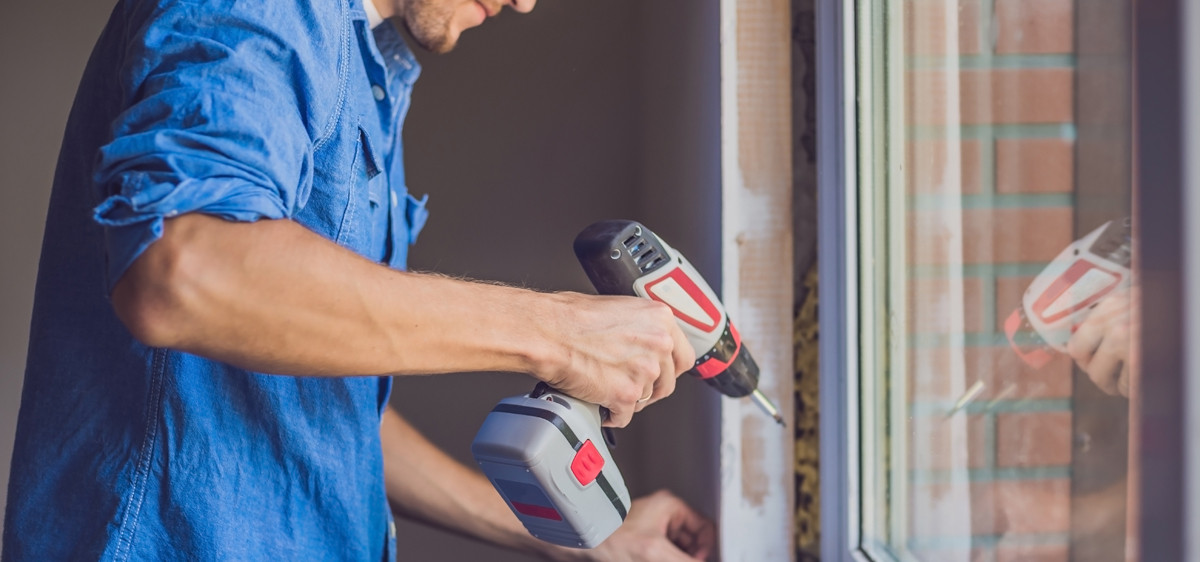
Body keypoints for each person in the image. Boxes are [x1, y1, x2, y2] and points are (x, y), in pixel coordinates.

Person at [2, 0, 716, 560]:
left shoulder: (366, 64)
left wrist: (580, 540)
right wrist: (559, 336)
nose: (527, 3)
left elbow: (314, 409)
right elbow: (184, 269)